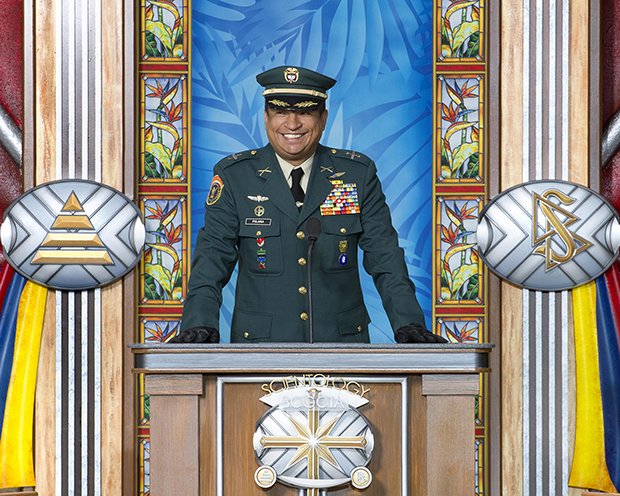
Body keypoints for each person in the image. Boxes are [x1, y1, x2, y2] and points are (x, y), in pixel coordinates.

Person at [173, 66, 447, 344]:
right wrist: (199, 323)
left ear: (323, 118)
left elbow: (385, 257)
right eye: (280, 112)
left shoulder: (356, 174)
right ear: (266, 118)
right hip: (259, 346)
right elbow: (212, 257)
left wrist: (409, 323)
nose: (292, 124)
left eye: (304, 112)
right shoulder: (235, 176)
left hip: (342, 345)